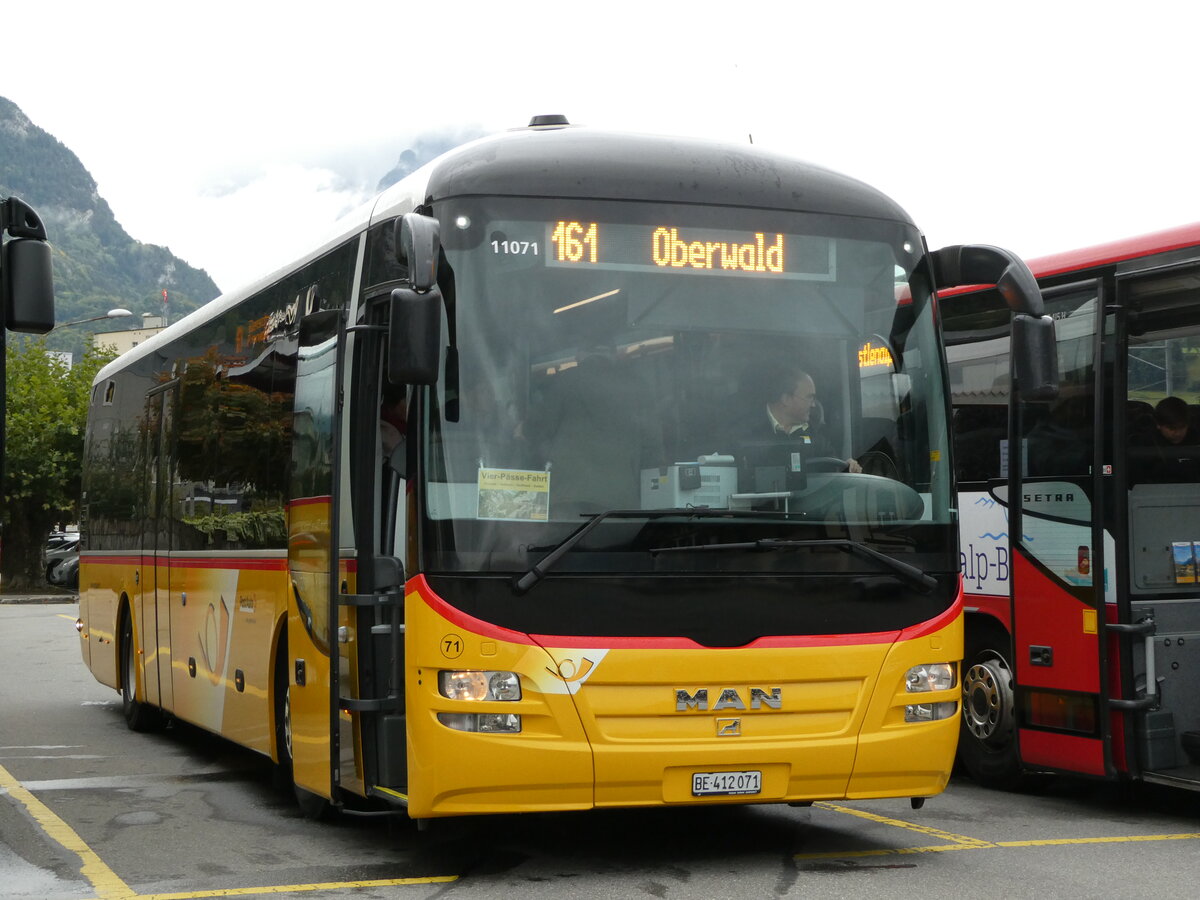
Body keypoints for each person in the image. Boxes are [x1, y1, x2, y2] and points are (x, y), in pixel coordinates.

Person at [738, 363, 862, 473]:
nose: (813, 404)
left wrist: (848, 467)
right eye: (809, 397)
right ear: (786, 399)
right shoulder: (746, 430)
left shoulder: (814, 435)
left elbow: (833, 467)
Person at [1129, 396, 1200, 482]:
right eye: (1171, 428)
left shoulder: (1196, 440)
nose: (1177, 433)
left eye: (1182, 427)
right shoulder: (1144, 446)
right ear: (1158, 424)